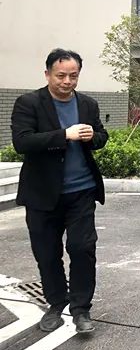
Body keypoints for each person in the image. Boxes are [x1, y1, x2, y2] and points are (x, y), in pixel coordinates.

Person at [11, 48, 109, 334]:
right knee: (47, 253)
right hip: (42, 193)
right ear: (47, 74)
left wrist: (93, 137)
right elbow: (22, 142)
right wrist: (64, 135)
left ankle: (81, 309)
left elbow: (101, 136)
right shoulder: (29, 103)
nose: (67, 81)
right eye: (61, 75)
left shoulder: (87, 104)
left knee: (82, 248)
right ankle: (56, 303)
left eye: (73, 76)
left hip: (82, 191)